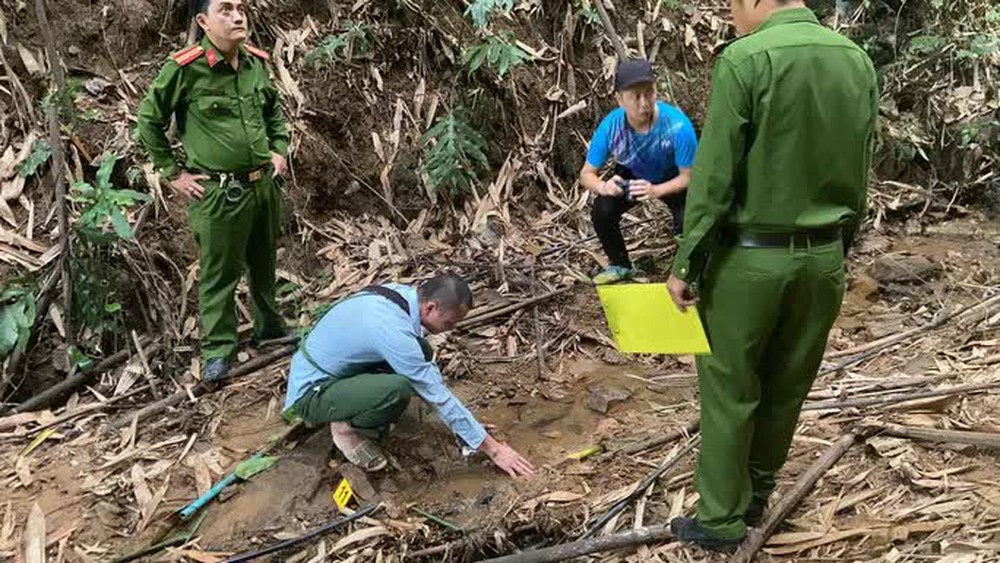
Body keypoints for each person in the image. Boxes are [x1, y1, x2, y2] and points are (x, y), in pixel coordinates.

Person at [665, 0, 878, 551]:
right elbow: (860, 167)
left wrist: (688, 262)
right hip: (824, 257)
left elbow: (712, 178)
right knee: (787, 386)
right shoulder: (855, 60)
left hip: (751, 260)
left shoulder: (745, 60)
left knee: (730, 388)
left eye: (734, 4)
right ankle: (757, 494)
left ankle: (719, 519)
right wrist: (837, 248)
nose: (732, 16)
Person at [135, 0, 291, 382]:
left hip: (262, 187)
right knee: (219, 274)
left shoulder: (255, 62)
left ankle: (270, 329)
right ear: (203, 21)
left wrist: (279, 149)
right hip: (219, 194)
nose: (238, 16)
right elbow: (149, 120)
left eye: (241, 8)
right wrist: (173, 173)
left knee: (264, 264)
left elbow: (273, 111)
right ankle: (219, 351)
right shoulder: (186, 68)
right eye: (226, 9)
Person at [282, 274, 535, 478]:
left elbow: (429, 376)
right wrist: (493, 449)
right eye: (450, 323)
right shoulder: (392, 330)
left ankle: (351, 402)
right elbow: (435, 394)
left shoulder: (401, 296)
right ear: (431, 307)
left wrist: (469, 432)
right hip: (312, 393)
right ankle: (349, 430)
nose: (453, 328)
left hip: (336, 368)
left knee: (422, 350)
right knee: (397, 389)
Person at [579, 58, 698, 285]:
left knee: (688, 220)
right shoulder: (610, 128)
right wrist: (603, 186)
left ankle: (688, 273)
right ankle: (620, 265)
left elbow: (690, 176)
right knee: (602, 210)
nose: (644, 103)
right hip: (634, 173)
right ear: (619, 100)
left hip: (672, 177)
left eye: (649, 93)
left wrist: (656, 190)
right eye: (635, 96)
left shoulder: (678, 126)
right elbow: (586, 174)